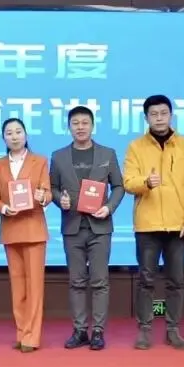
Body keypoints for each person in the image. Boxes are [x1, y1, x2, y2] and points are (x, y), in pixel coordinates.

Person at [122, 94, 184, 351]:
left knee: (175, 280)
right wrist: (145, 183)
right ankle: (145, 329)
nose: (159, 118)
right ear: (146, 118)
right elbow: (128, 182)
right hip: (147, 225)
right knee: (146, 280)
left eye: (163, 113)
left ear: (171, 115)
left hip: (178, 226)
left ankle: (173, 330)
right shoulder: (136, 147)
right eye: (154, 114)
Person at [49, 106, 123, 351]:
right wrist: (60, 200)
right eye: (75, 123)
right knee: (77, 281)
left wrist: (109, 208)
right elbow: (52, 188)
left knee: (100, 281)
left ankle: (98, 331)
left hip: (100, 226)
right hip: (72, 226)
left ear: (92, 125)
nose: (80, 127)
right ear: (69, 127)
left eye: (84, 123)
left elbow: (119, 186)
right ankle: (80, 330)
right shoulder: (58, 156)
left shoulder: (107, 153)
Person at [0, 118, 52, 353]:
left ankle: (32, 336)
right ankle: (21, 331)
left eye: (18, 131)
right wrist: (3, 208)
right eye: (9, 133)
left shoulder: (40, 161)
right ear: (3, 138)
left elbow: (48, 192)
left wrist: (43, 197)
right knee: (18, 287)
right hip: (11, 227)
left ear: (26, 135)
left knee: (34, 286)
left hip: (34, 228)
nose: (14, 136)